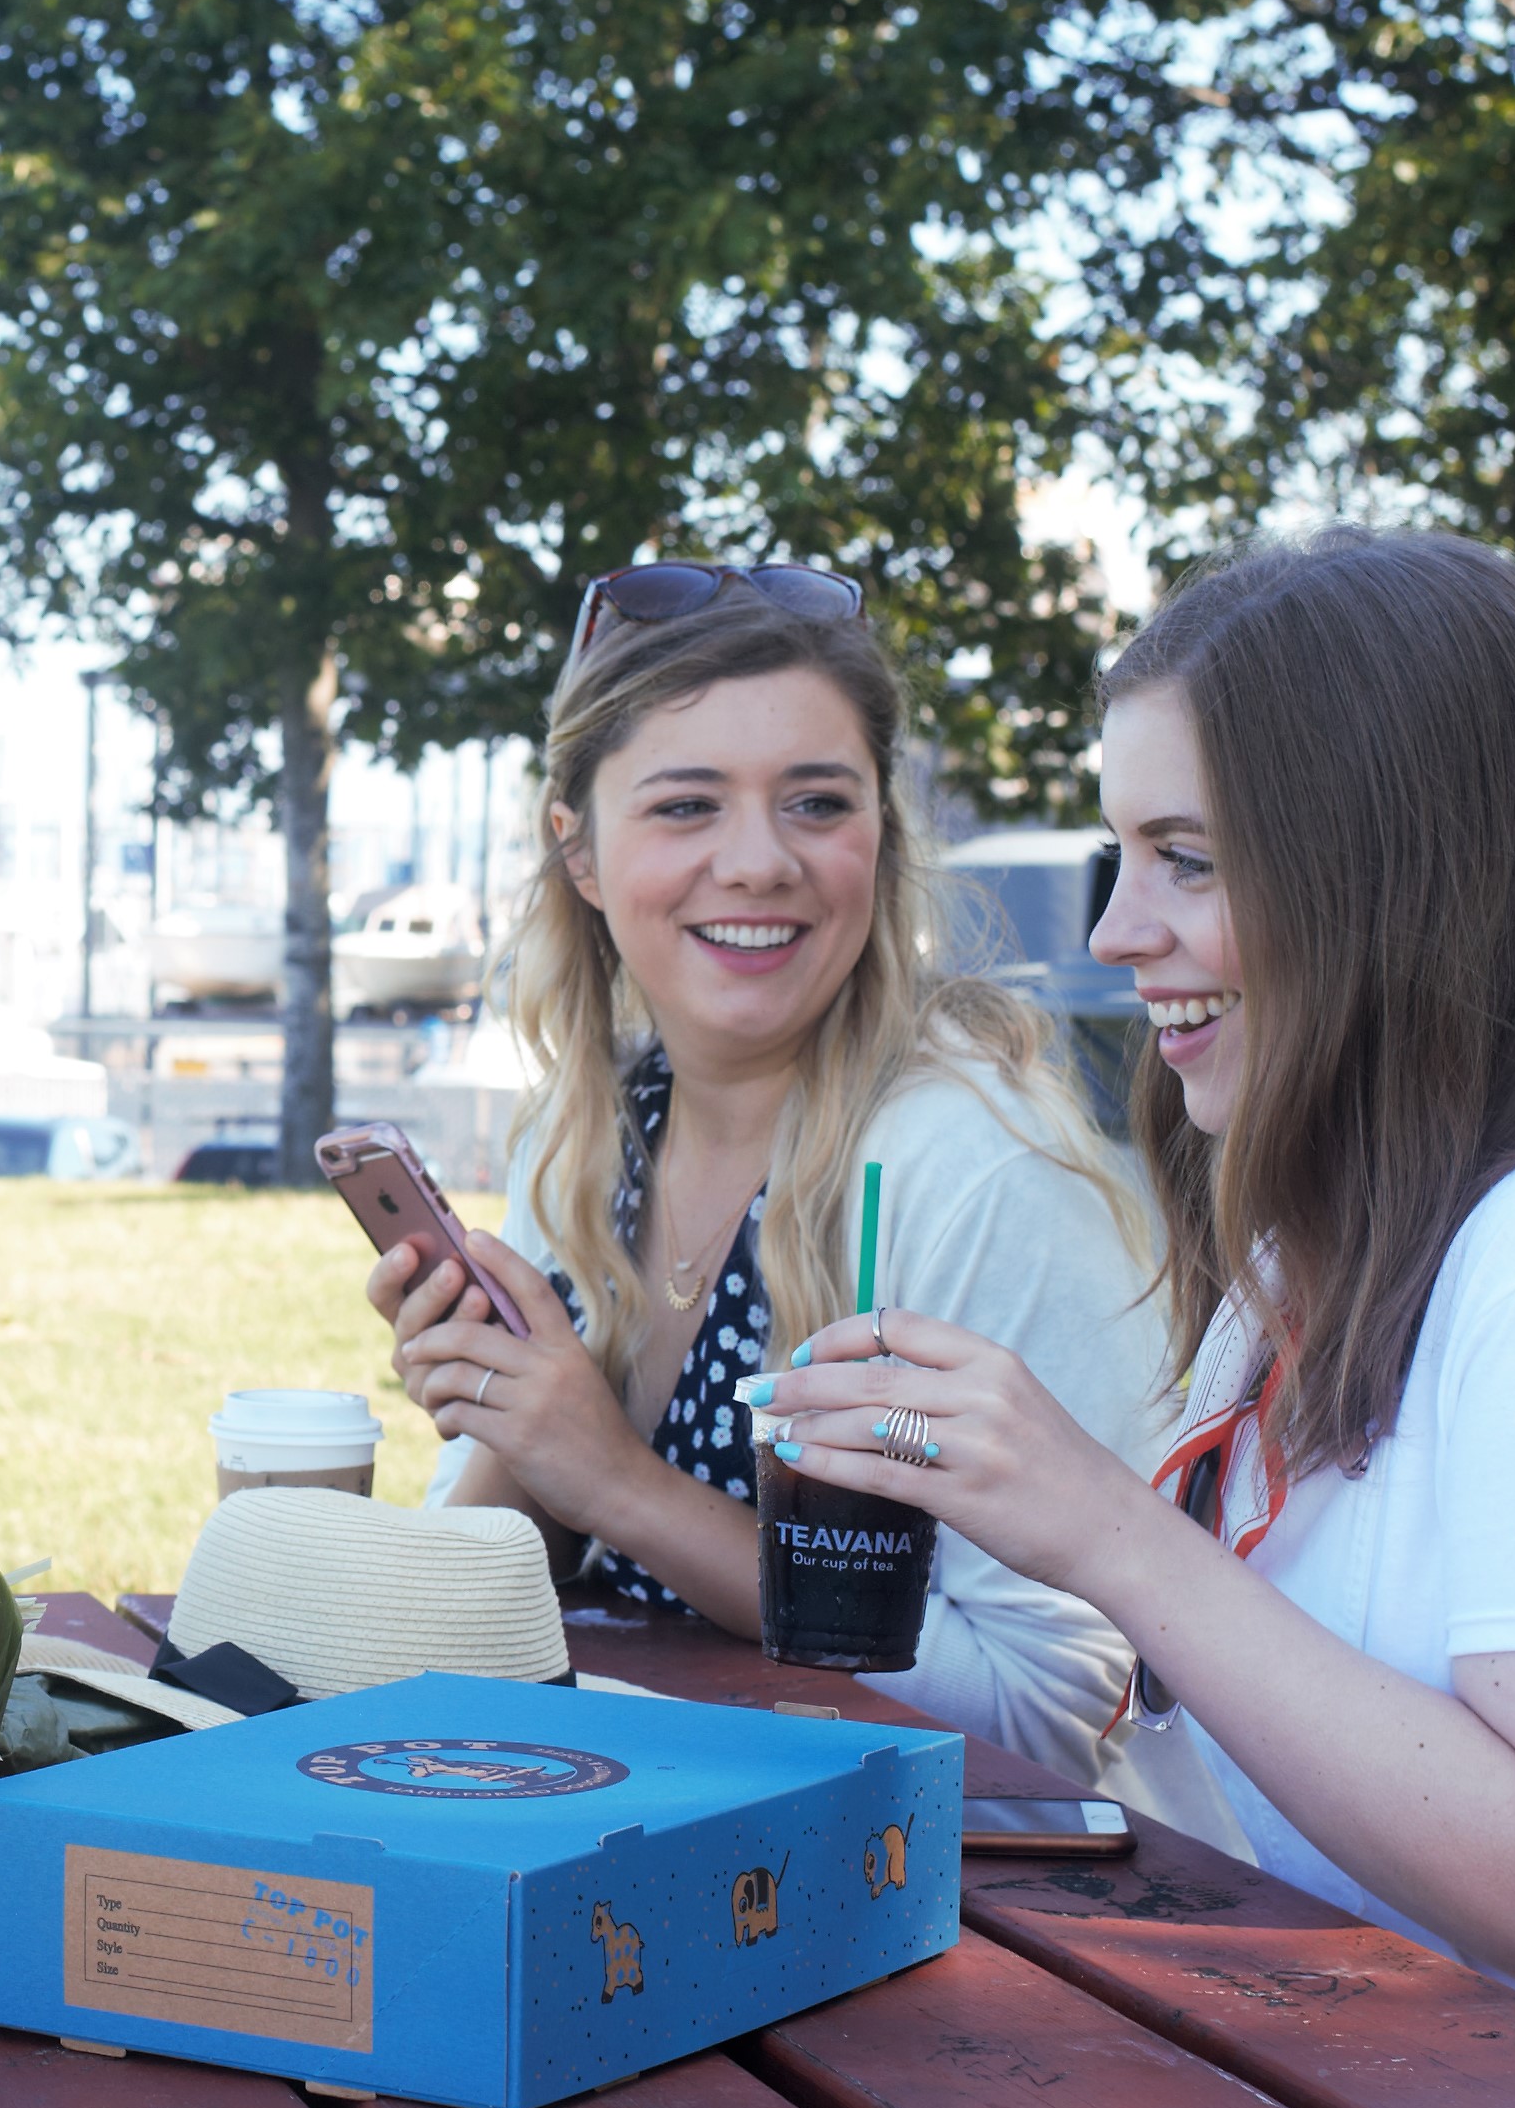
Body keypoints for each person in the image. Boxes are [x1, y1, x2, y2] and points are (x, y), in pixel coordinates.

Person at [749, 530, 1515, 2108]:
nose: (1113, 931)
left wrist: (1107, 1530)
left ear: (1386, 870)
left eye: (1184, 858)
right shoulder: (1325, 1232)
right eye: (1120, 853)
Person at [377, 559, 1237, 1835]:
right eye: (685, 807)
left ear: (878, 837)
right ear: (582, 850)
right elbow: (502, 1612)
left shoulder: (969, 1168)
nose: (759, 861)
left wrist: (617, 1482)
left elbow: (1057, 1717)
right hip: (657, 1847)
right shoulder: (593, 1133)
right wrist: (516, 1428)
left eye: (816, 803)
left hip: (977, 1929)